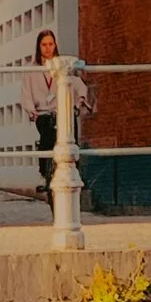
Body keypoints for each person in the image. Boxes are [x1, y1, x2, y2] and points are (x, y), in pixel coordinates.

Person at [24, 30, 90, 200]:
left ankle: (75, 168)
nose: (47, 48)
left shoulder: (62, 65)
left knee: (69, 130)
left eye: (51, 44)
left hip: (61, 111)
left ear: (55, 45)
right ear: (39, 47)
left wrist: (79, 101)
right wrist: (32, 112)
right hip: (43, 113)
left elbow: (78, 84)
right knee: (47, 130)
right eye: (44, 45)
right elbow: (26, 93)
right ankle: (43, 173)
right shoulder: (31, 69)